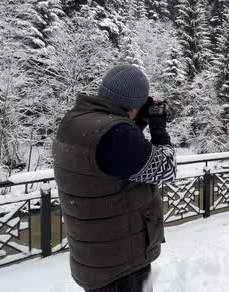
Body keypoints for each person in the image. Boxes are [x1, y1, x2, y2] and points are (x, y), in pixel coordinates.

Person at [52, 64, 176, 292]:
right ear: (133, 106)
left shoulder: (75, 120)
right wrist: (159, 127)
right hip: (122, 264)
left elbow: (117, 159)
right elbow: (166, 168)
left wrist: (136, 119)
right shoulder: (117, 137)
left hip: (94, 255)